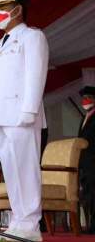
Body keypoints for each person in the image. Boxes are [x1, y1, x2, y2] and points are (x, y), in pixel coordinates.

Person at [0, 0, 48, 241]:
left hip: (22, 114)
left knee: (26, 170)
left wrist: (29, 110)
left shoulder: (32, 37)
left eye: (3, 8)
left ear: (17, 10)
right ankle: (17, 222)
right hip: (2, 115)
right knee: (12, 171)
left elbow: (36, 75)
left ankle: (31, 226)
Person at [78, 86, 95, 233]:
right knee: (88, 193)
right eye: (83, 98)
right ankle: (91, 225)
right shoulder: (85, 117)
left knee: (94, 193)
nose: (85, 101)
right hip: (84, 161)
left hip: (93, 160)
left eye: (88, 97)